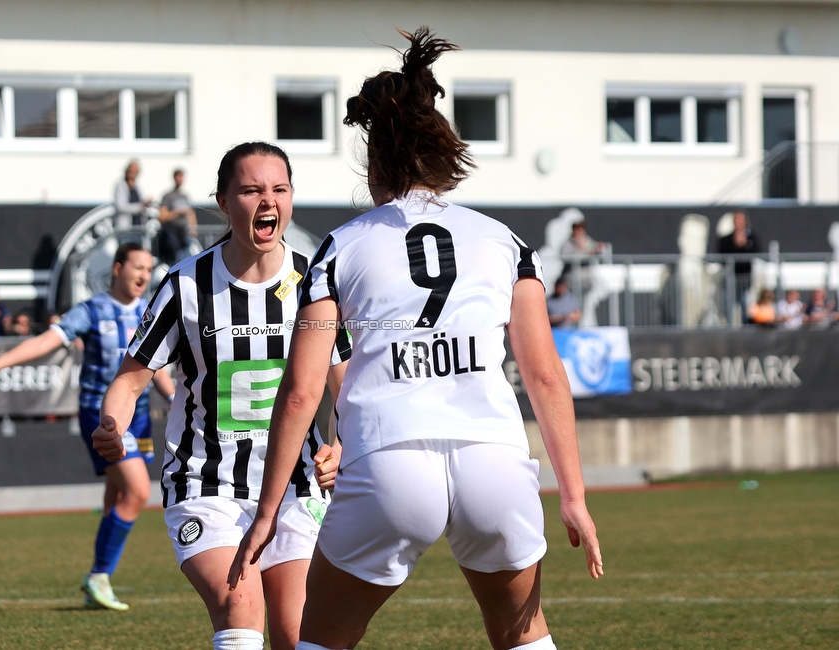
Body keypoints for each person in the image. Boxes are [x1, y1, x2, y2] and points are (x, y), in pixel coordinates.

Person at [228, 29, 601, 650]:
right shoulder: (503, 241)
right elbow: (543, 376)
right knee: (525, 638)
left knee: (319, 639)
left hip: (388, 462)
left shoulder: (341, 246)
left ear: (374, 160)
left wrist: (267, 512)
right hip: (493, 460)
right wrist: (575, 496)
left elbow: (301, 391)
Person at [92, 142, 351, 650]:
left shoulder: (315, 283)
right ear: (222, 202)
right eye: (251, 190)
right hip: (206, 486)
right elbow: (129, 380)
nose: (267, 201)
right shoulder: (185, 285)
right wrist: (113, 424)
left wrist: (339, 445)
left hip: (295, 490)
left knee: (299, 632)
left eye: (279, 189)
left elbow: (346, 386)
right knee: (241, 604)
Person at [0, 243, 176, 612]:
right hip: (99, 413)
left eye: (148, 269)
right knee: (138, 492)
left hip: (136, 417)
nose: (143, 275)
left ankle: (98, 578)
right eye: (137, 267)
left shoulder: (148, 311)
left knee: (116, 493)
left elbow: (158, 370)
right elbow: (47, 340)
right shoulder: (92, 310)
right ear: (117, 268)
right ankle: (99, 575)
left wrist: (176, 401)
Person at [718, 209, 761, 317]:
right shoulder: (726, 239)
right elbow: (722, 254)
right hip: (730, 279)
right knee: (728, 306)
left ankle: (746, 329)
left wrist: (745, 244)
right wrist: (735, 244)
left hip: (745, 279)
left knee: (745, 306)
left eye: (739, 219)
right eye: (735, 219)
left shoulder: (752, 238)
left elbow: (756, 252)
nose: (737, 222)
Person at [157, 168, 199, 265]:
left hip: (184, 232)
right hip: (172, 232)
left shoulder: (185, 196)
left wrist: (193, 228)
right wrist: (177, 213)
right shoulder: (168, 196)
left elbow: (191, 213)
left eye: (181, 176)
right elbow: (162, 216)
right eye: (178, 176)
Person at [114, 160, 153, 230]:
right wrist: (140, 206)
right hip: (125, 228)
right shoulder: (121, 185)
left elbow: (142, 203)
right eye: (131, 170)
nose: (132, 172)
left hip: (138, 227)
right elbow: (121, 206)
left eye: (135, 170)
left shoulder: (137, 187)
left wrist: (147, 203)